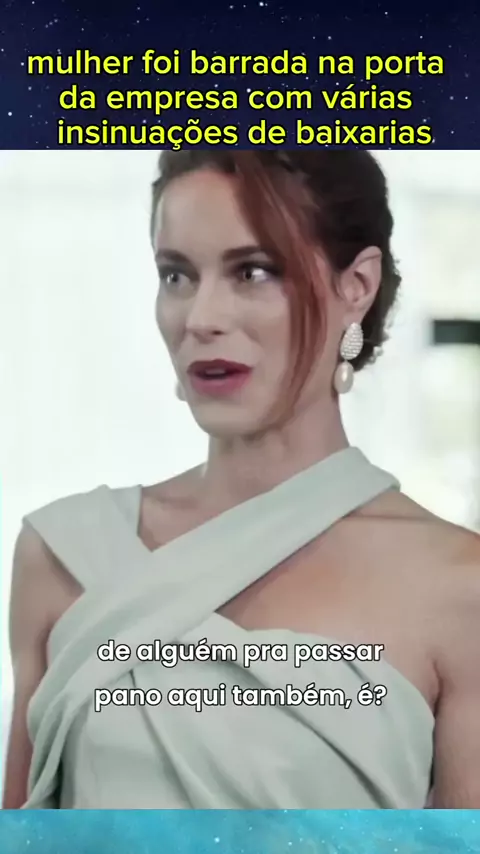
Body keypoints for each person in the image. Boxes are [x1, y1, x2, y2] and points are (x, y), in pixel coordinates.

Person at [4, 151, 480, 810]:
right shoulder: (62, 553)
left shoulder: (457, 587)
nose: (200, 317)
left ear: (356, 285)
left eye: (252, 271)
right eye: (177, 275)